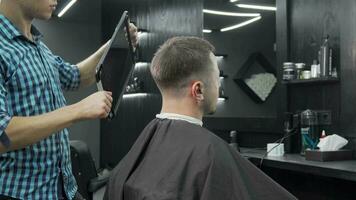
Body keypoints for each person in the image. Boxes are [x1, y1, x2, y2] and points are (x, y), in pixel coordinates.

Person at [104, 37, 296, 200]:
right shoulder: (210, 153)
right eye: (217, 78)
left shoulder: (147, 138)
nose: (219, 88)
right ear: (198, 90)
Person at [0, 0, 138, 199]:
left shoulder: (38, 46)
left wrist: (113, 45)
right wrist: (77, 111)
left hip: (65, 189)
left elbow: (76, 76)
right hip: (22, 194)